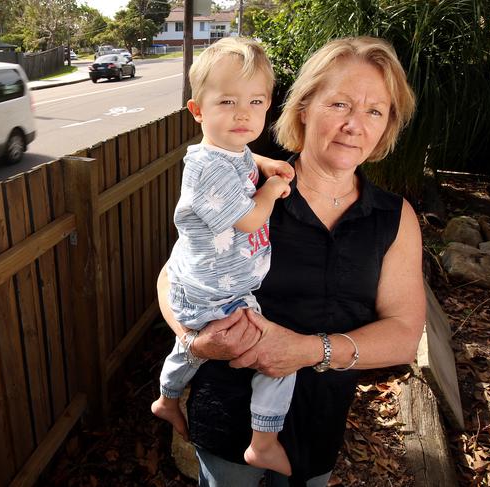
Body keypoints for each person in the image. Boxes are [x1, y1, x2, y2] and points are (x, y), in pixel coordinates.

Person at [157, 36, 426, 486]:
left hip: (318, 423)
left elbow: (402, 336)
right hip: (227, 413)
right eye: (340, 104)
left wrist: (306, 350)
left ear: (386, 126)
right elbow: (174, 277)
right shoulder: (248, 188)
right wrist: (195, 340)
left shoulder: (393, 217)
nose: (354, 125)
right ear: (304, 107)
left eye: (374, 111)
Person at [150, 37, 295, 475]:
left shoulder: (228, 150)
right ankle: (264, 441)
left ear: (268, 105)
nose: (243, 114)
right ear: (198, 111)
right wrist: (270, 189)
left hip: (207, 280)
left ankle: (167, 398)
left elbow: (243, 158)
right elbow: (249, 221)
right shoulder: (208, 167)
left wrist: (264, 165)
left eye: (255, 101)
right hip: (219, 291)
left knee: (190, 348)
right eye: (227, 101)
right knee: (275, 359)